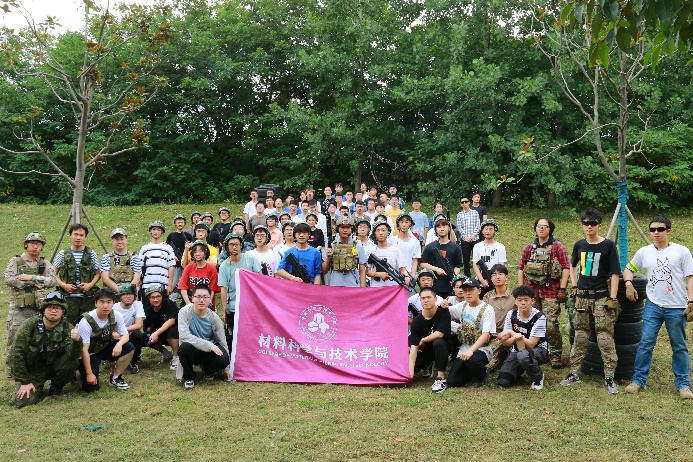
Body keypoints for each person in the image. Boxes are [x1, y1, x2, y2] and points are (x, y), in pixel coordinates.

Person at [623, 216, 693, 399]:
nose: (656, 232)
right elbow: (629, 269)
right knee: (645, 343)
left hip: (677, 307)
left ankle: (683, 384)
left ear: (668, 231)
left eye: (660, 229)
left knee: (679, 346)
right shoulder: (644, 252)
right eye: (652, 229)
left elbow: (690, 277)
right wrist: (628, 284)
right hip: (653, 306)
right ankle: (638, 380)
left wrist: (692, 302)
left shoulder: (682, 252)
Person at [561, 209, 621, 394]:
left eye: (593, 223)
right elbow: (572, 266)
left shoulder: (608, 246)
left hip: (601, 297)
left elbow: (615, 273)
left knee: (604, 338)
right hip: (582, 298)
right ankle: (574, 373)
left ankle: (609, 377)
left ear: (599, 225)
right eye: (586, 223)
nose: (589, 226)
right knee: (580, 336)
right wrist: (574, 286)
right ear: (582, 225)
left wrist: (612, 297)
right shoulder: (579, 245)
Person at [9, 292, 81, 407]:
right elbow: (16, 353)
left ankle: (56, 389)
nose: (53, 311)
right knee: (21, 402)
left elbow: (73, 355)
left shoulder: (68, 327)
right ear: (43, 310)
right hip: (34, 371)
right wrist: (24, 381)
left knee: (71, 361)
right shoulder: (29, 325)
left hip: (55, 367)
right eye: (50, 308)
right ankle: (32, 387)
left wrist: (76, 341)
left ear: (63, 311)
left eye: (57, 308)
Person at [517, 217, 570, 369]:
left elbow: (566, 267)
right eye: (539, 226)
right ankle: (535, 352)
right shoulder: (529, 248)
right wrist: (522, 290)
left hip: (550, 292)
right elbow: (521, 268)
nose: (541, 229)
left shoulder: (558, 247)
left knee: (550, 325)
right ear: (535, 228)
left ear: (550, 229)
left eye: (545, 226)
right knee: (530, 323)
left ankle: (555, 355)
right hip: (532, 293)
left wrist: (562, 289)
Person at [5, 232, 57, 378]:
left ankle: (34, 371)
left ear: (42, 247)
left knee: (37, 340)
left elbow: (52, 281)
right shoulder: (16, 261)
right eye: (32, 243)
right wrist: (34, 283)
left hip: (39, 309)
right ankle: (12, 372)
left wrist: (31, 277)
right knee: (15, 340)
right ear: (26, 244)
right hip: (19, 310)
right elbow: (8, 279)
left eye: (39, 244)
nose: (35, 246)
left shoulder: (45, 264)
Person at [77, 288, 135, 392]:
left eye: (109, 302)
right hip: (90, 353)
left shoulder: (116, 315)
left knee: (129, 347)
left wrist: (119, 344)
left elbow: (125, 335)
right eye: (102, 302)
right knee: (91, 389)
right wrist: (89, 374)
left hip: (105, 347)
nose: (105, 306)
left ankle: (116, 378)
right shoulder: (86, 321)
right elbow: (84, 350)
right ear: (95, 303)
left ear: (113, 303)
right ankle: (78, 372)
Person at [176, 284, 231, 389]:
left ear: (210, 299)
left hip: (209, 351)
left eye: (205, 297)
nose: (201, 300)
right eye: (198, 297)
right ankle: (189, 377)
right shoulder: (184, 312)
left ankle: (207, 369)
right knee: (184, 348)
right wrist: (208, 345)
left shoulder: (214, 318)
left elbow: (222, 341)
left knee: (224, 358)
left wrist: (227, 369)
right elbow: (184, 335)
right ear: (192, 298)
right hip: (193, 348)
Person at [496, 286, 549, 390]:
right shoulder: (511, 314)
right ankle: (522, 369)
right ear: (515, 301)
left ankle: (538, 378)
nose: (523, 303)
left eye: (526, 300)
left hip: (539, 350)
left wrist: (512, 333)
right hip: (517, 350)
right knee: (504, 381)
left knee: (523, 356)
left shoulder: (539, 317)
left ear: (532, 301)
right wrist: (514, 337)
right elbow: (506, 343)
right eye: (519, 300)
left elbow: (531, 344)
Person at [447, 277, 496, 388]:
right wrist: (442, 305)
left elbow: (486, 334)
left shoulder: (487, 309)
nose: (468, 293)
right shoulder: (463, 305)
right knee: (452, 382)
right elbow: (447, 311)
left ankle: (482, 376)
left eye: (471, 290)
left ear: (479, 291)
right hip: (465, 348)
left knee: (473, 360)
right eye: (465, 291)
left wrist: (471, 351)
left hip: (482, 349)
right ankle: (471, 371)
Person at [218, 233, 262, 349]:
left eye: (237, 244)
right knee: (234, 335)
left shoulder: (251, 259)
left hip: (251, 303)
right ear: (227, 247)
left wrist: (248, 274)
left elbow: (260, 278)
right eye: (231, 245)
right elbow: (223, 288)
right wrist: (224, 310)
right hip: (234, 305)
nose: (234, 247)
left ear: (241, 245)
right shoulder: (224, 266)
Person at [54, 224, 101, 325]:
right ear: (70, 236)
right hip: (67, 298)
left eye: (81, 235)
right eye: (75, 234)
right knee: (67, 326)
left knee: (88, 325)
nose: (78, 238)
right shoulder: (62, 254)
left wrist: (90, 285)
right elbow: (52, 274)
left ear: (85, 237)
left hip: (87, 298)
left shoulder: (91, 254)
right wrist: (64, 285)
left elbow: (98, 274)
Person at [408, 288, 451, 393]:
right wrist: (410, 372)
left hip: (443, 347)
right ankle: (427, 364)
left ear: (435, 299)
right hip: (426, 351)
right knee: (415, 366)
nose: (426, 300)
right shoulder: (417, 321)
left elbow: (440, 334)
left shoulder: (443, 311)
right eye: (423, 298)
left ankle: (441, 378)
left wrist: (423, 339)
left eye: (429, 297)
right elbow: (414, 347)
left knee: (438, 342)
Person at [483, 264, 516, 370]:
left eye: (500, 274)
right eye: (494, 275)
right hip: (494, 335)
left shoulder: (515, 295)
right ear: (491, 279)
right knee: (487, 365)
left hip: (512, 334)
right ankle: (501, 355)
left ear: (506, 277)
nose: (497, 277)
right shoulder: (487, 297)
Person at [420, 216, 462, 299]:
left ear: (449, 228)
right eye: (439, 227)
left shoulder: (456, 247)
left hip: (450, 285)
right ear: (435, 230)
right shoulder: (430, 247)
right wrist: (436, 269)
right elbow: (422, 263)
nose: (442, 229)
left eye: (444, 226)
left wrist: (454, 277)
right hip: (434, 285)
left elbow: (458, 266)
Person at [143, 284, 180, 369]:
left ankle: (176, 357)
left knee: (172, 330)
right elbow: (147, 327)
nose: (156, 300)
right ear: (148, 299)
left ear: (162, 296)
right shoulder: (148, 311)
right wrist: (150, 334)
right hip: (160, 335)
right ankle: (166, 353)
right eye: (152, 297)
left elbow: (172, 320)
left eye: (158, 296)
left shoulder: (168, 303)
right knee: (145, 337)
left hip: (176, 334)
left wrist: (156, 333)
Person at [323, 216, 366, 287]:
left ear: (352, 229)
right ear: (338, 228)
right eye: (342, 227)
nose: (345, 230)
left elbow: (362, 270)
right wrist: (328, 258)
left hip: (353, 285)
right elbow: (324, 271)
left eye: (348, 227)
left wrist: (363, 289)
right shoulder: (332, 245)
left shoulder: (357, 245)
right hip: (335, 285)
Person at [366, 220, 411, 288]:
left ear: (388, 232)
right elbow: (367, 272)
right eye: (378, 230)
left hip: (393, 288)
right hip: (376, 288)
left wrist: (406, 277)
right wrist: (379, 274)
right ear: (374, 233)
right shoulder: (370, 252)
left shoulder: (396, 251)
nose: (381, 233)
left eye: (383, 230)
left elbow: (402, 269)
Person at [113, 283, 146, 374]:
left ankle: (135, 359)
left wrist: (123, 331)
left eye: (131, 294)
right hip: (116, 335)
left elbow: (138, 325)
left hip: (129, 334)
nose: (128, 296)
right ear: (120, 296)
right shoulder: (114, 308)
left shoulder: (138, 304)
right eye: (125, 294)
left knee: (138, 335)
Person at [178, 240, 221, 309]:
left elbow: (212, 289)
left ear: (205, 253)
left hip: (206, 304)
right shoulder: (189, 268)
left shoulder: (212, 269)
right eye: (195, 252)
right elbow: (183, 287)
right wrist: (188, 303)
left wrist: (208, 303)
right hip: (190, 303)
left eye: (200, 251)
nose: (197, 254)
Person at [139, 220, 175, 300]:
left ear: (162, 232)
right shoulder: (144, 248)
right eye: (154, 229)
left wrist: (170, 285)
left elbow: (171, 267)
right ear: (150, 231)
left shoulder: (168, 248)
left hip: (163, 286)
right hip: (147, 285)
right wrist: (138, 285)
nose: (156, 232)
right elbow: (139, 268)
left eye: (159, 230)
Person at [100, 228, 143, 292]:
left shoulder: (134, 257)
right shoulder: (106, 258)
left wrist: (127, 292)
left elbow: (137, 278)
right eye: (117, 239)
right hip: (111, 294)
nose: (119, 242)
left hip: (129, 294)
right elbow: (105, 279)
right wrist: (121, 291)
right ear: (112, 241)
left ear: (126, 240)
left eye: (122, 239)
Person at [472, 219, 507, 291]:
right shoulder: (477, 246)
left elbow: (501, 265)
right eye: (486, 229)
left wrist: (496, 279)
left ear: (495, 231)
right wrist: (482, 280)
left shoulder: (500, 247)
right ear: (482, 231)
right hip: (481, 279)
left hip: (495, 278)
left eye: (491, 229)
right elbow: (475, 265)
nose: (488, 231)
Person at [166, 214, 193, 302]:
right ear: (175, 224)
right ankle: (172, 300)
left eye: (181, 222)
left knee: (187, 282)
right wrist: (172, 256)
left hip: (186, 264)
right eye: (178, 222)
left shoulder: (188, 236)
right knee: (173, 283)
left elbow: (191, 249)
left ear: (184, 223)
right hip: (175, 264)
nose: (180, 224)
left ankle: (187, 299)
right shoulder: (171, 236)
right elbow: (167, 249)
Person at [389, 213, 421, 282]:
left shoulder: (415, 242)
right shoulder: (391, 240)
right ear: (398, 224)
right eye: (402, 222)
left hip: (409, 274)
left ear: (410, 224)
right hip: (394, 275)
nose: (404, 225)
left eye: (406, 222)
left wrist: (412, 277)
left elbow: (415, 260)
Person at [456, 195, 480, 277]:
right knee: (466, 259)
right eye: (462, 202)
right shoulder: (459, 214)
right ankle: (467, 275)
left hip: (475, 238)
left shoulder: (475, 212)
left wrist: (473, 235)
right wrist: (466, 237)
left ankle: (479, 275)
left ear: (469, 203)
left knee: (477, 258)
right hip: (465, 239)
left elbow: (478, 225)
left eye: (466, 202)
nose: (464, 203)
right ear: (461, 204)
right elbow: (459, 227)